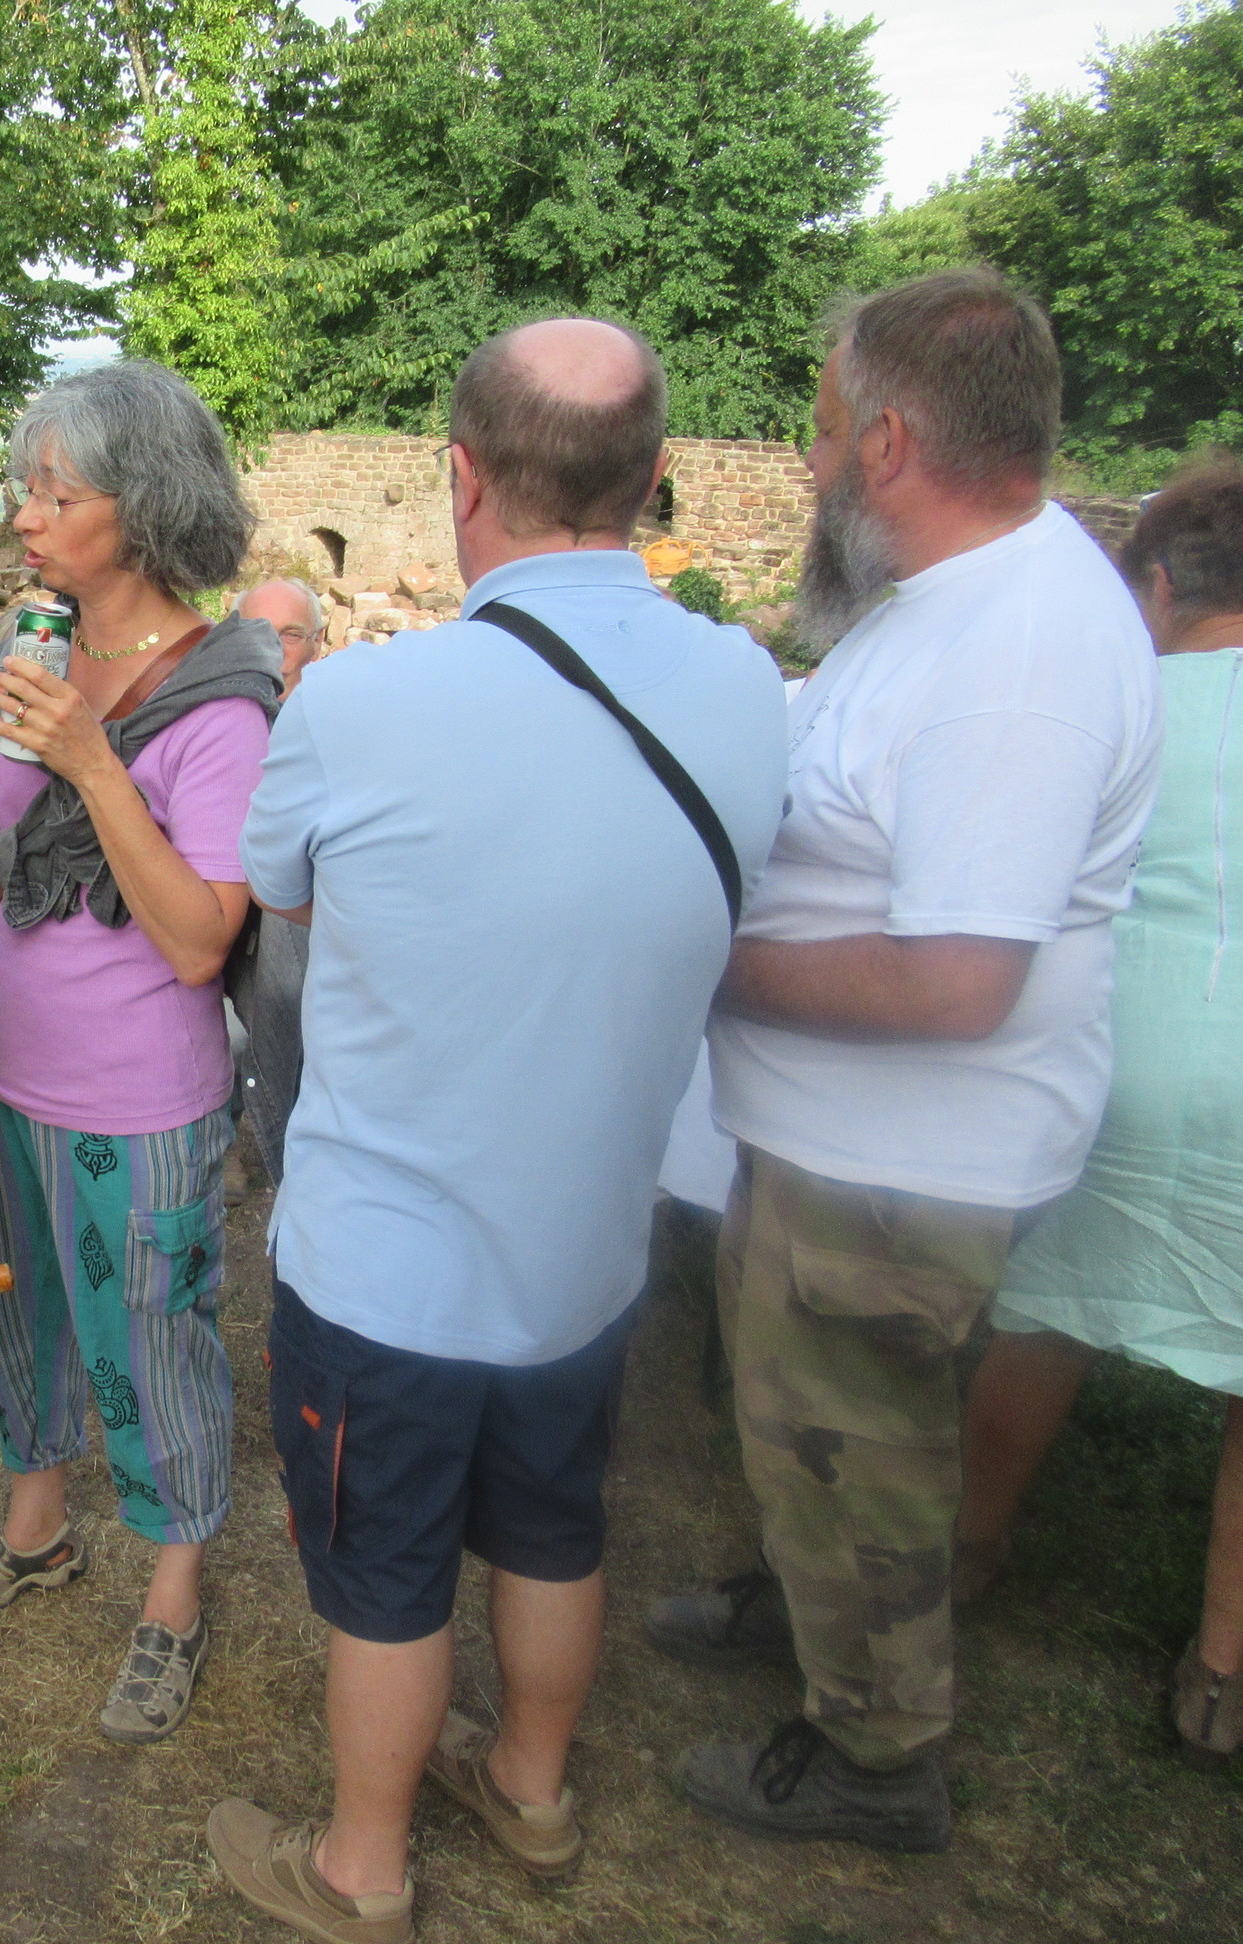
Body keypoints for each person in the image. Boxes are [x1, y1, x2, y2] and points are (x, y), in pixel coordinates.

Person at [206, 320, 786, 1944]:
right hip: (585, 1253)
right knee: (552, 1524)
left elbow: (279, 897)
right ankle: (530, 1786)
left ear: (460, 475)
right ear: (654, 479)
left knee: (388, 1574)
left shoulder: (358, 701)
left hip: (385, 1264)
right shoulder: (748, 685)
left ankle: (361, 1867)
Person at [650, 270, 1162, 1850]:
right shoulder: (961, 600)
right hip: (837, 1140)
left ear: (887, 443)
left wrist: (704, 957)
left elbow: (956, 982)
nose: (806, 465)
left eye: (819, 433)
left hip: (899, 1165)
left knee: (859, 1447)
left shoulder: (1018, 658)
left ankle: (877, 1755)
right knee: (814, 1428)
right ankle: (810, 1606)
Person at [0, 359, 280, 1745]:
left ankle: (172, 1594)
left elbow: (197, 940)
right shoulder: (39, 644)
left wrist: (93, 762)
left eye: (56, 494)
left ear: (147, 507)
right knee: (14, 1314)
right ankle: (36, 1530)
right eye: (28, 488)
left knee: (153, 1341)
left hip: (135, 1098)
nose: (25, 516)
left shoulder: (225, 703)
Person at [955, 460, 1243, 1770]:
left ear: (1161, 587)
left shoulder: (1129, 703)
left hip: (1130, 1051)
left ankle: (968, 1546)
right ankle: (1221, 1668)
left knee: (1048, 1311)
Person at [228, 577, 325, 1185]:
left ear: (316, 642)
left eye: (290, 634)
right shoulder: (213, 715)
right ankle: (222, 1135)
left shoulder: (334, 722)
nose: (273, 647)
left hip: (287, 903)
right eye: (258, 631)